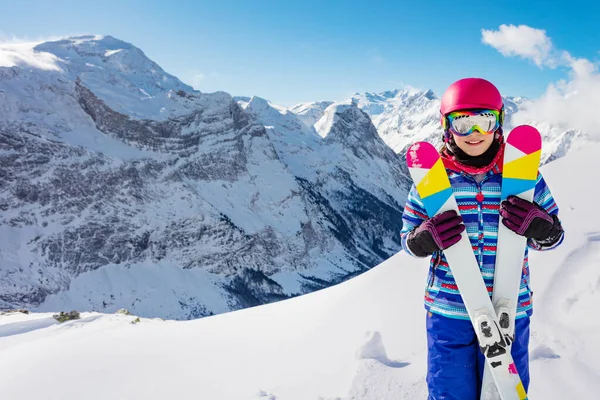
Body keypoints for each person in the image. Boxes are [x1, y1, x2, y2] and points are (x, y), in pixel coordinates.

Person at [400, 78, 565, 399]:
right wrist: (423, 239)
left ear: (498, 124)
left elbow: (555, 236)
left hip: (509, 310)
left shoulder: (524, 176)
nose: (475, 135)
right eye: (464, 124)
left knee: (504, 392)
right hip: (449, 312)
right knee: (450, 392)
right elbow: (407, 239)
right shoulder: (431, 181)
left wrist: (542, 228)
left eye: (484, 122)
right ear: (447, 127)